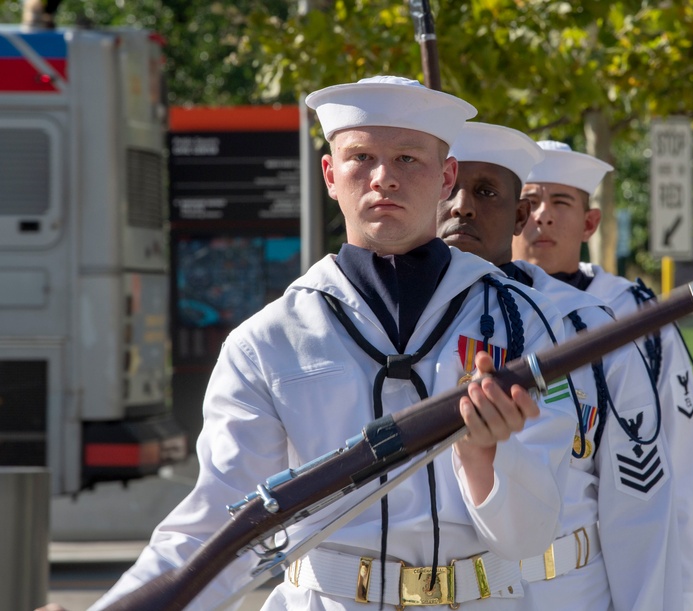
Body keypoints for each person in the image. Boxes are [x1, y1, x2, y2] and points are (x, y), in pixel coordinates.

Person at [84, 77, 578, 611]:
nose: (384, 177)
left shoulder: (522, 322)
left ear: (445, 177)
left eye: (408, 158)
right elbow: (216, 528)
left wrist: (485, 458)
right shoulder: (267, 341)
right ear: (329, 175)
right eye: (361, 157)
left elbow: (532, 534)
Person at [437, 122, 683, 610]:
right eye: (450, 188)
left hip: (565, 592)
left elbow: (638, 504)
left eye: (486, 192)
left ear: (519, 216)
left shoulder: (588, 327)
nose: (462, 206)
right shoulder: (387, 328)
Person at [511, 140, 693, 611]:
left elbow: (682, 475)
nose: (542, 216)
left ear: (590, 223)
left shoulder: (638, 317)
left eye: (560, 202)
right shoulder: (476, 306)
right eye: (529, 202)